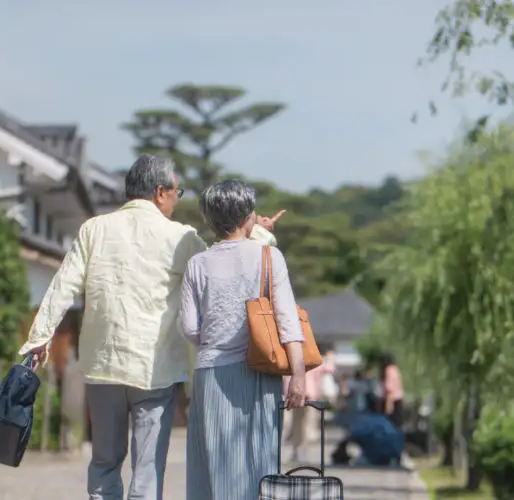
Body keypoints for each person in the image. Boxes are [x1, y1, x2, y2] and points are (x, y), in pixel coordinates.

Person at [19, 155, 284, 500]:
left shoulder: (94, 229)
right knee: (147, 470)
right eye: (177, 191)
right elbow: (224, 260)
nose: (177, 198)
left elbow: (62, 286)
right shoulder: (180, 237)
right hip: (155, 369)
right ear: (160, 192)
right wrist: (260, 232)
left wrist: (40, 337)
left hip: (103, 367)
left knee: (104, 463)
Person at [178, 179, 306, 500]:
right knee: (257, 466)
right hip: (257, 372)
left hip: (210, 374)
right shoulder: (269, 257)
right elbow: (287, 319)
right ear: (248, 215)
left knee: (212, 467)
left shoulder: (197, 264)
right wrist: (298, 375)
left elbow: (190, 327)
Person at [380, 352, 404, 429]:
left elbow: (389, 390)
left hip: (392, 400)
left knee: (391, 425)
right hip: (399, 399)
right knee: (397, 424)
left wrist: (388, 407)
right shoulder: (395, 369)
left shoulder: (388, 370)